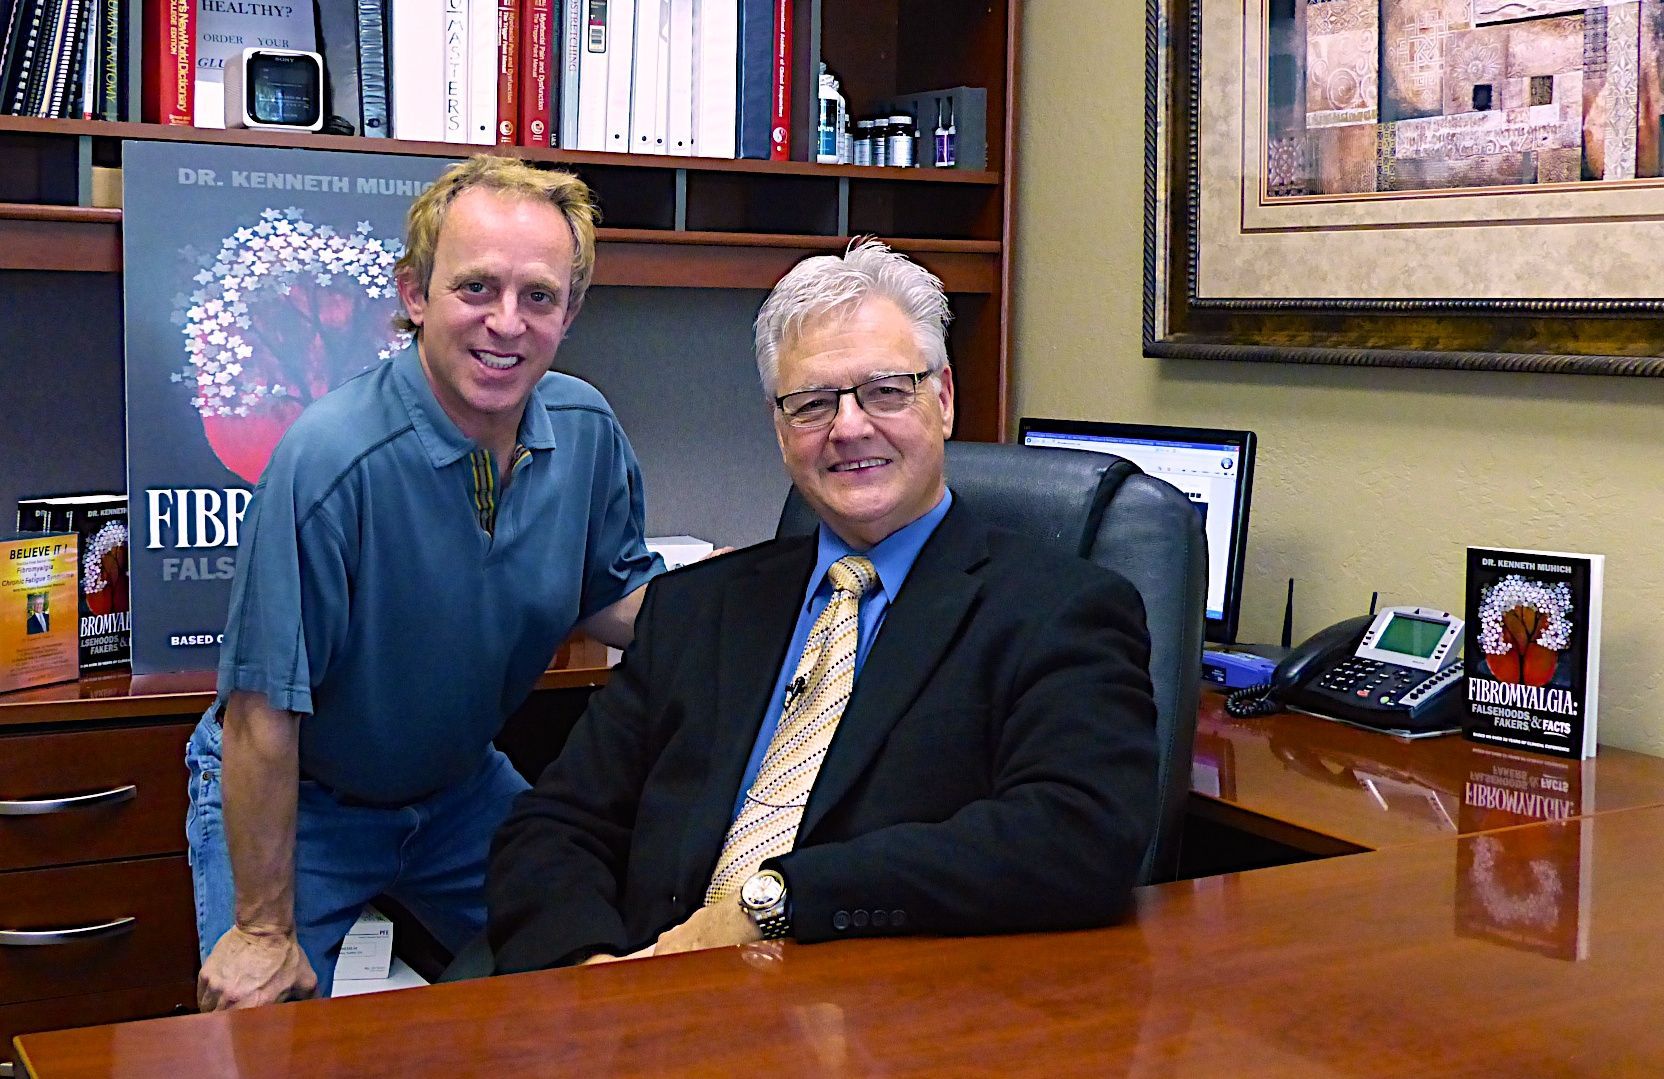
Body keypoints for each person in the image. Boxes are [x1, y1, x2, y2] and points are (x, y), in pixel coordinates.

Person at [487, 239, 1157, 972]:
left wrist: (776, 899)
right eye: (812, 403)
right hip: (641, 1005)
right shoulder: (695, 608)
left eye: (886, 390)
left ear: (944, 398)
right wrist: (590, 972)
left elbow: (1078, 834)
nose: (848, 427)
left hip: (873, 1020)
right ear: (780, 432)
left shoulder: (1061, 609)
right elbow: (555, 826)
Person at [188, 155, 665, 1009]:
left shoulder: (587, 431)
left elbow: (612, 591)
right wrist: (263, 929)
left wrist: (754, 618)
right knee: (261, 1030)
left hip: (458, 788)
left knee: (599, 958)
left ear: (572, 311)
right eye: (476, 288)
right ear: (414, 296)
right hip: (303, 797)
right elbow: (262, 713)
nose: (506, 323)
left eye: (539, 297)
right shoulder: (328, 462)